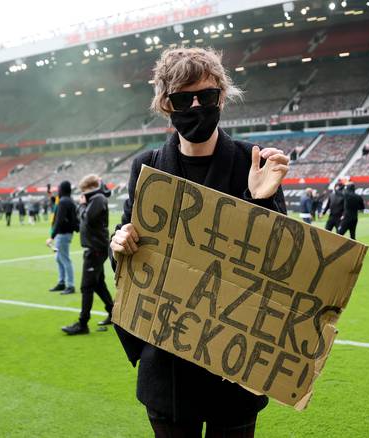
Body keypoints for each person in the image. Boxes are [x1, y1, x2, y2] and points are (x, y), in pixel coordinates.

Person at [110, 47, 289, 437]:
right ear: (165, 104)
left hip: (236, 364)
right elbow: (131, 254)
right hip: (168, 365)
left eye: (205, 97)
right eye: (181, 98)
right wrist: (119, 244)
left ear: (221, 97)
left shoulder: (252, 162)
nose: (196, 106)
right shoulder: (148, 166)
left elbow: (279, 266)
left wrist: (262, 200)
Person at [62, 175, 113, 335]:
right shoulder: (97, 198)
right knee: (98, 283)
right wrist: (83, 206)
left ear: (90, 187)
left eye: (84, 190)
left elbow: (88, 219)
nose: (83, 193)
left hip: (95, 248)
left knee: (86, 286)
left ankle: (83, 324)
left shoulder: (97, 198)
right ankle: (114, 313)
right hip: (95, 246)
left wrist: (82, 205)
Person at [47, 181, 78, 295]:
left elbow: (59, 220)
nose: (58, 190)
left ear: (62, 189)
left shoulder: (64, 202)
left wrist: (51, 236)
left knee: (64, 258)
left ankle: (70, 285)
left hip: (63, 234)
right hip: (65, 233)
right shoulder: (68, 200)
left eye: (59, 188)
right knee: (59, 258)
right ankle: (62, 282)